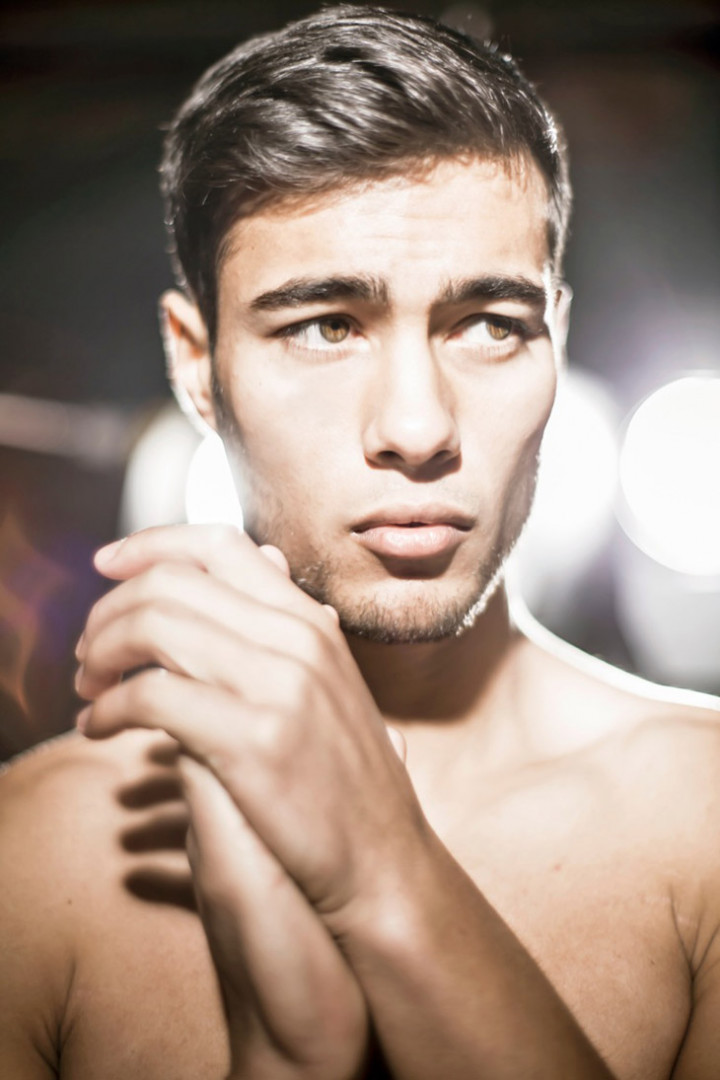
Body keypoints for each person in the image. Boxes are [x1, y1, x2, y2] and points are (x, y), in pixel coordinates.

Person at [1, 5, 719, 1078]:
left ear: (556, 340)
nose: (418, 429)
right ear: (196, 364)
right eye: (326, 326)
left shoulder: (706, 820)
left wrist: (385, 872)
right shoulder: (29, 867)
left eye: (489, 324)